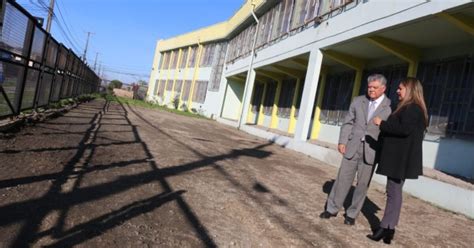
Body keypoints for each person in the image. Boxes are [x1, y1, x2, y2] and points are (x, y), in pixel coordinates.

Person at [320, 74, 391, 225]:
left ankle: (352, 214)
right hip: (352, 147)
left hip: (372, 150)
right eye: (369, 87)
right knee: (342, 179)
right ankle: (332, 209)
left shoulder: (390, 106)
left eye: (375, 87)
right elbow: (348, 123)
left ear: (383, 88)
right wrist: (342, 141)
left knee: (362, 185)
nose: (371, 90)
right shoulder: (358, 101)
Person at [368, 77, 428, 244]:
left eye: (400, 88)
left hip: (399, 160)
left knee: (393, 193)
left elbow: (403, 130)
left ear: (410, 90)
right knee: (393, 192)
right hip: (398, 158)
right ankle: (389, 229)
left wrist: (382, 123)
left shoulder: (412, 108)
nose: (397, 91)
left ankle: (385, 227)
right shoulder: (409, 108)